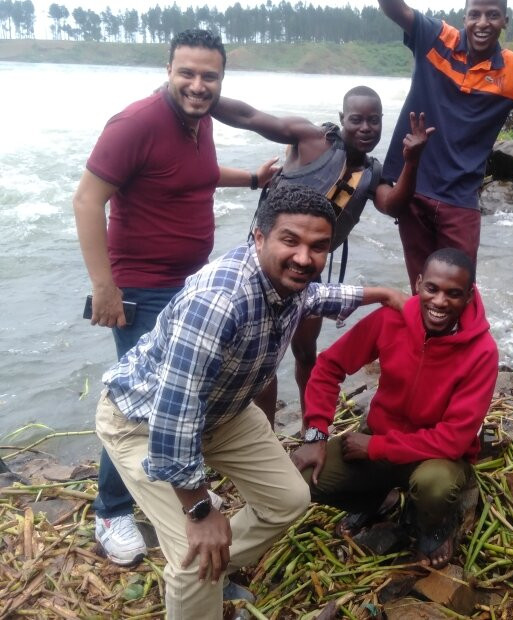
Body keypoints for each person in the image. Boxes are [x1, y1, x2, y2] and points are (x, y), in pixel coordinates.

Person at [95, 185, 407, 619]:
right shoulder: (219, 303)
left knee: (289, 500)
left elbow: (316, 297)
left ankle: (211, 567)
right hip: (144, 423)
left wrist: (383, 294)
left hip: (222, 412)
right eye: (290, 241)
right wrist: (201, 511)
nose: (304, 258)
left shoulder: (288, 281)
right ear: (258, 238)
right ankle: (200, 571)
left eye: (318, 247)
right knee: (194, 551)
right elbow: (174, 413)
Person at [73, 28, 279, 565]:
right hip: (140, 287)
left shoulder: (198, 121)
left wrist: (254, 178)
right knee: (141, 404)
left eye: (208, 76)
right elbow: (86, 201)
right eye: (186, 72)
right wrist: (105, 288)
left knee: (184, 394)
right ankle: (111, 511)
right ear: (168, 70)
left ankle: (171, 484)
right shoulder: (135, 124)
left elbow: (196, 177)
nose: (197, 84)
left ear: (220, 80)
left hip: (191, 282)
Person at [214, 85, 433, 424]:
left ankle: (310, 426)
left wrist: (413, 161)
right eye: (356, 120)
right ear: (342, 118)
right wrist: (202, 101)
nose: (365, 128)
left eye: (373, 121)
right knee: (263, 359)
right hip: (263, 267)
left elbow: (393, 205)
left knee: (305, 352)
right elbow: (250, 117)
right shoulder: (311, 139)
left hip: (308, 274)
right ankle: (265, 438)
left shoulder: (373, 173)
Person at [363, 0, 513, 286]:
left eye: (493, 15)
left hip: (461, 199)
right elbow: (396, 8)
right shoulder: (437, 38)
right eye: (475, 14)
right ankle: (426, 344)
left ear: (505, 21)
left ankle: (466, 343)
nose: (483, 23)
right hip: (413, 188)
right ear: (464, 16)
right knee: (423, 286)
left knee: (458, 287)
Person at [291, 247, 498, 569]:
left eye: (453, 294)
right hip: (379, 439)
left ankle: (436, 524)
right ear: (418, 284)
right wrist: (316, 433)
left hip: (435, 456)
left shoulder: (482, 351)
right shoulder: (391, 318)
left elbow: (454, 439)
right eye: (432, 289)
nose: (440, 302)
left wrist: (376, 446)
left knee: (435, 486)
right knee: (302, 480)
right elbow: (329, 366)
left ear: (469, 296)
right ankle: (376, 499)